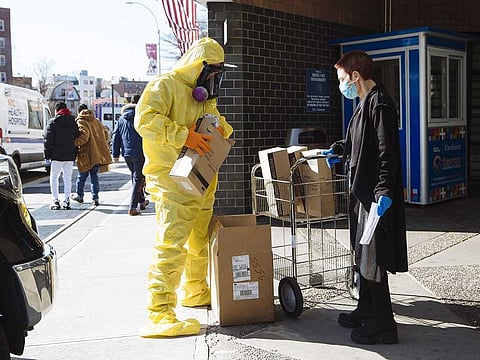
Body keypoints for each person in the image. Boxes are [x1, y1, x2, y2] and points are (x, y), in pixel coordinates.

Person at [134, 37, 234, 337]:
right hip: (170, 179)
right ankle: (159, 312)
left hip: (200, 179)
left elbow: (217, 122)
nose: (215, 77)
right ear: (198, 67)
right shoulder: (163, 86)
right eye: (212, 71)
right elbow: (146, 120)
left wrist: (223, 131)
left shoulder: (204, 96)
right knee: (172, 244)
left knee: (198, 240)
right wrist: (183, 136)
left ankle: (195, 289)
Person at [324, 50, 408, 345]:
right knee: (362, 255)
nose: (341, 85)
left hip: (374, 197)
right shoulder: (364, 103)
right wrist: (339, 149)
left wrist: (384, 191)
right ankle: (366, 308)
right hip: (362, 193)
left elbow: (386, 152)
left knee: (373, 258)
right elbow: (359, 142)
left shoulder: (380, 104)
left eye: (341, 78)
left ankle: (385, 325)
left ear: (355, 76)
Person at [112, 95, 149, 216]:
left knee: (136, 177)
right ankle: (132, 207)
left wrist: (115, 154)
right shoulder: (142, 116)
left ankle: (142, 201)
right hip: (141, 151)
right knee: (138, 179)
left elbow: (115, 136)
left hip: (127, 153)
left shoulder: (121, 119)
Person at [71, 104, 112, 206]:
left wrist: (74, 142)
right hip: (97, 154)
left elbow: (85, 136)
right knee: (94, 177)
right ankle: (95, 198)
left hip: (86, 154)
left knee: (81, 176)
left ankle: (80, 195)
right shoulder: (96, 121)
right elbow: (106, 134)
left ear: (79, 111)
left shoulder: (81, 121)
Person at [43, 101, 79, 210]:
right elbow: (76, 138)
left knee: (54, 177)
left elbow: (47, 140)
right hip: (69, 155)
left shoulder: (52, 122)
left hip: (56, 155)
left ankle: (55, 200)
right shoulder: (73, 122)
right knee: (67, 178)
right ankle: (67, 200)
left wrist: (47, 155)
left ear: (56, 110)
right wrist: (74, 153)